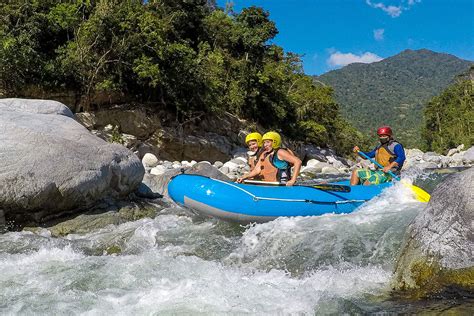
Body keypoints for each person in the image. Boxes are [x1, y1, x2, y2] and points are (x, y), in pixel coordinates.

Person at [237, 131, 302, 186]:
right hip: (269, 185)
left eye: (268, 142)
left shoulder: (280, 152)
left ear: (275, 142)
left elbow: (298, 161)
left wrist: (293, 180)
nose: (265, 145)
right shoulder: (264, 154)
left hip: (281, 185)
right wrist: (245, 176)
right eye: (264, 142)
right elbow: (256, 170)